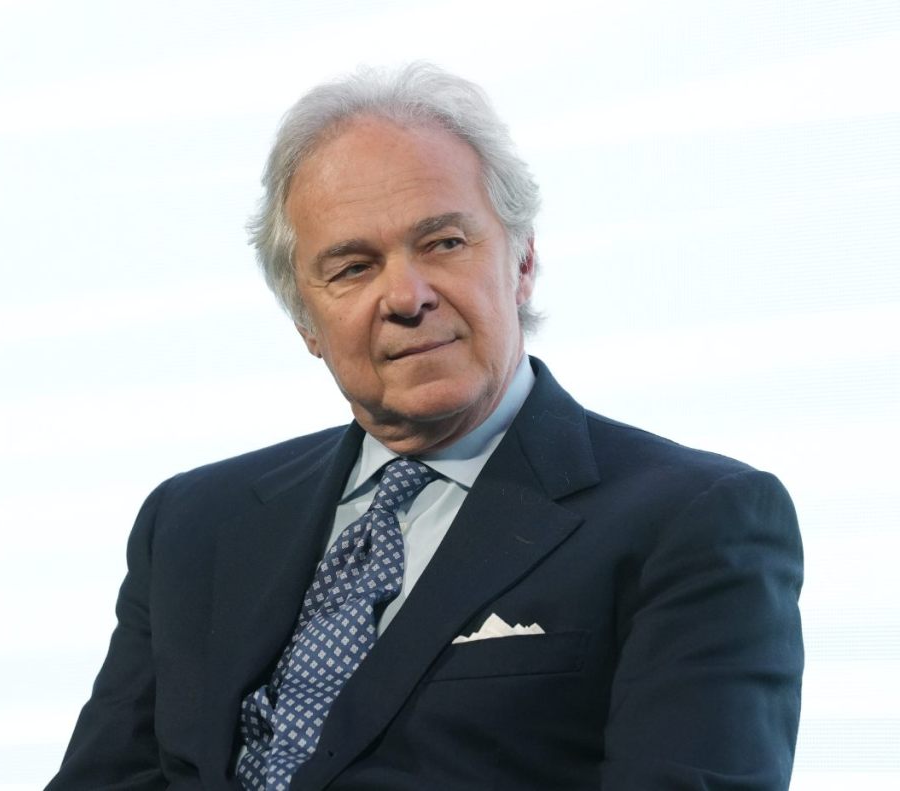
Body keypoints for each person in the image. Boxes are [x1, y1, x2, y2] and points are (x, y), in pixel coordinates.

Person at [46, 63, 803, 791]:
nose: (407, 297)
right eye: (352, 267)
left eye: (443, 243)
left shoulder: (694, 522)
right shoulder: (191, 524)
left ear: (523, 261)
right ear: (305, 320)